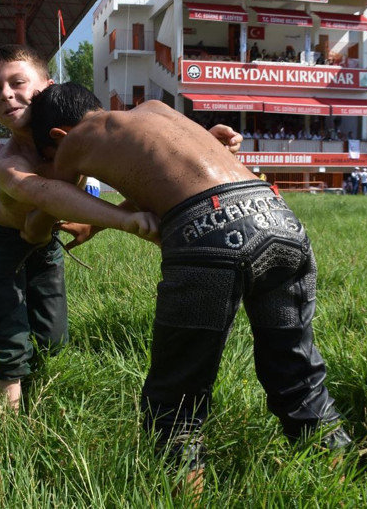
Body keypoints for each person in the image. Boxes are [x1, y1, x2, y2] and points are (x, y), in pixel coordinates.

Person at [28, 82, 350, 492]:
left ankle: (184, 495)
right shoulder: (155, 109)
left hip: (208, 235)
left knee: (176, 397)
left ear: (58, 135)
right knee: (297, 371)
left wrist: (34, 222)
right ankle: (339, 484)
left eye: (49, 153)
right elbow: (173, 179)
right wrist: (96, 225)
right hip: (278, 218)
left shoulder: (72, 142)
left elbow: (55, 198)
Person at [0, 45, 241, 415]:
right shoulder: (9, 164)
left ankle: (43, 382)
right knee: (7, 330)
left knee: (53, 338)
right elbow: (47, 196)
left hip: (45, 241)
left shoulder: (76, 132)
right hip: (2, 242)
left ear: (48, 86)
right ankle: (5, 419)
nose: (6, 93)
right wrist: (122, 219)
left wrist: (204, 145)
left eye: (17, 82)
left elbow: (146, 149)